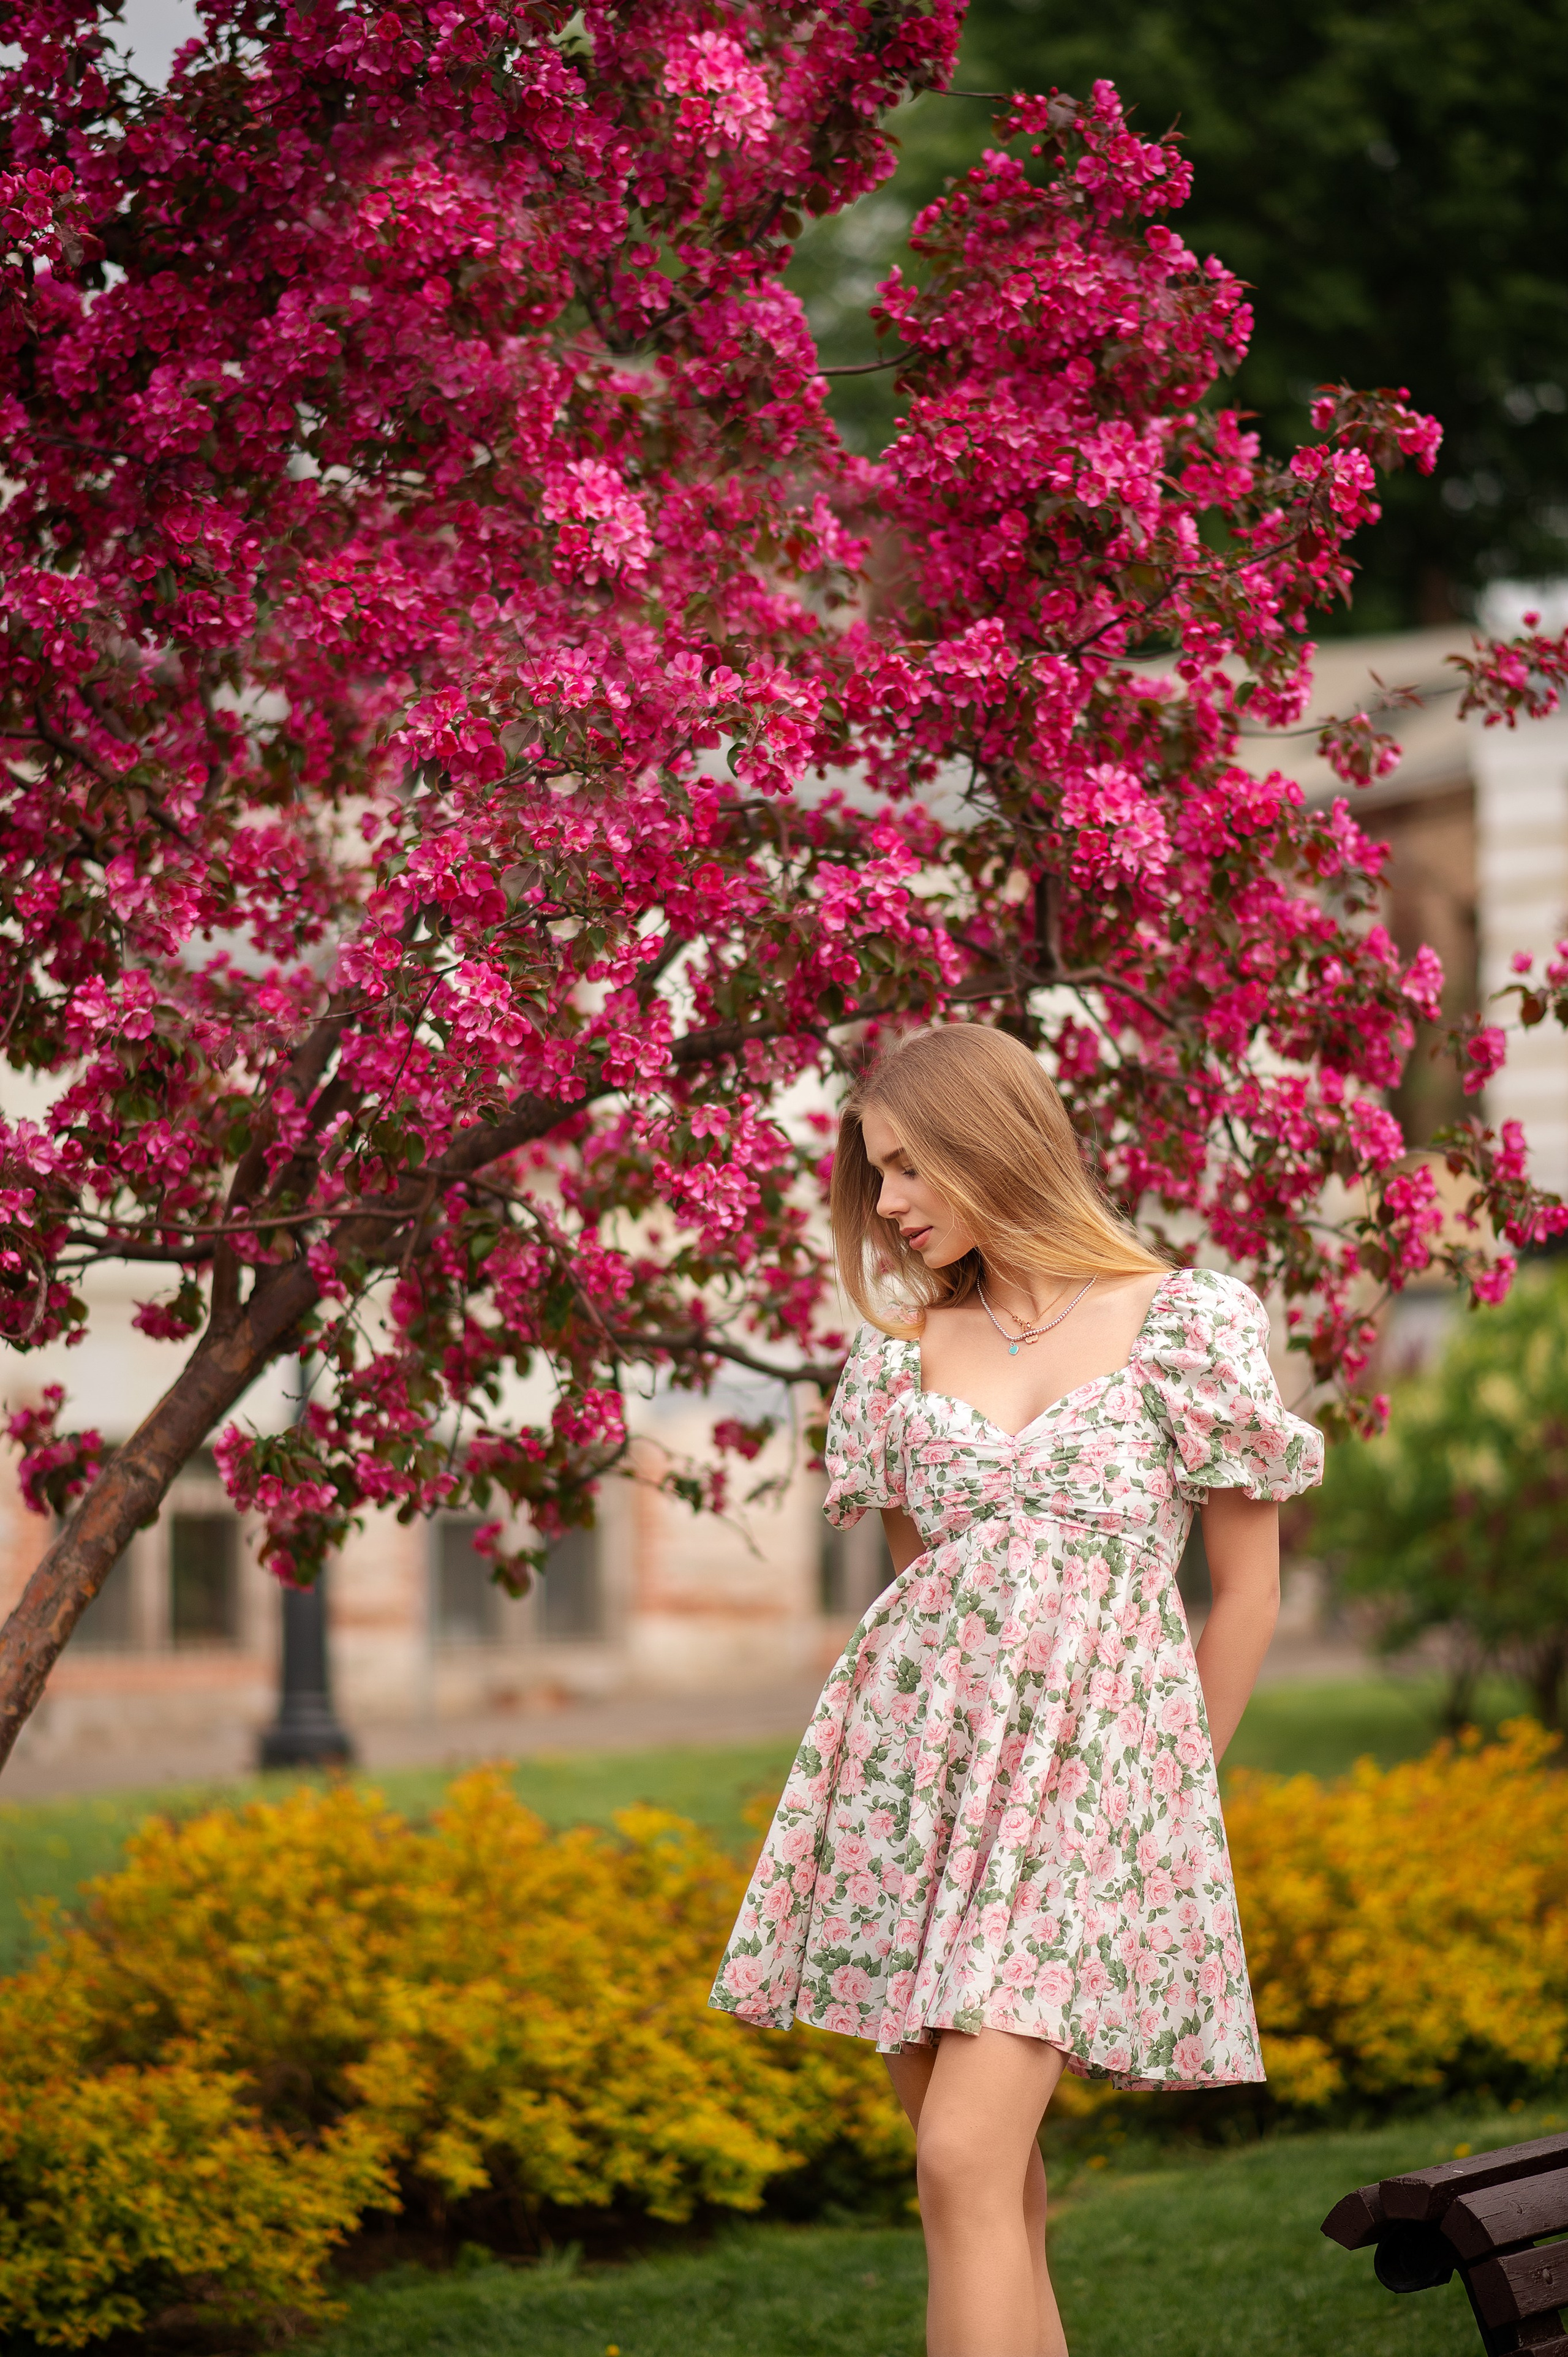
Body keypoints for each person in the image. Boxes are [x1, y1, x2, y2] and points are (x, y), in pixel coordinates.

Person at [710, 1025, 1324, 2357]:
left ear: (996, 1142)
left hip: (1087, 1794)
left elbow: (1247, 1589)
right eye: (874, 1176)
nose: (887, 1205)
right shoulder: (892, 1359)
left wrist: (1151, 1791)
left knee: (961, 2159)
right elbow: (925, 1594)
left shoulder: (1185, 1322)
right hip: (905, 1798)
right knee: (989, 2194)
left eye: (910, 1167)